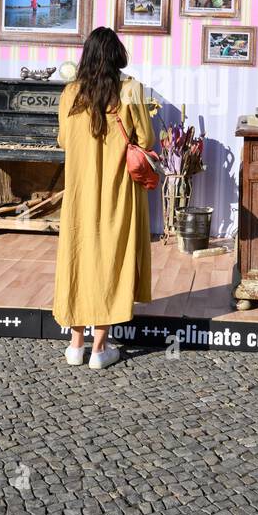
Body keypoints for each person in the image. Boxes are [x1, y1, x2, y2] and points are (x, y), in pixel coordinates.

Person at [53, 27, 154, 370]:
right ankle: (100, 347)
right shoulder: (130, 90)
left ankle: (75, 344)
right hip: (117, 191)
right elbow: (147, 138)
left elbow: (64, 140)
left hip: (80, 193)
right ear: (117, 55)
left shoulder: (70, 93)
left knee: (78, 259)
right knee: (110, 258)